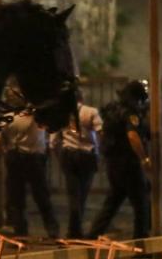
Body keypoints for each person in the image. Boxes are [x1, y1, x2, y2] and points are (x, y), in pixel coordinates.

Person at [89, 80, 152, 239]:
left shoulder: (112, 110)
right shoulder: (130, 113)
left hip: (113, 163)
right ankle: (141, 241)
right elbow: (133, 136)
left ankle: (92, 235)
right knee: (140, 203)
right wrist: (144, 158)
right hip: (128, 163)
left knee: (113, 201)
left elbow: (104, 134)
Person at [0, 98, 60, 238]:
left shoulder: (7, 117)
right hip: (34, 158)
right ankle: (52, 229)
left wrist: (6, 152)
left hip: (13, 158)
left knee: (16, 197)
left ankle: (21, 231)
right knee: (42, 195)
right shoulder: (37, 116)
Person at [50, 90, 102, 239]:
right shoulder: (91, 112)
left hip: (68, 154)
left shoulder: (61, 115)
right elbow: (100, 132)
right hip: (86, 155)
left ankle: (74, 230)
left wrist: (60, 159)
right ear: (81, 98)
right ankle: (76, 230)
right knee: (83, 193)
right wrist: (98, 152)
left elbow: (53, 142)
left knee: (73, 194)